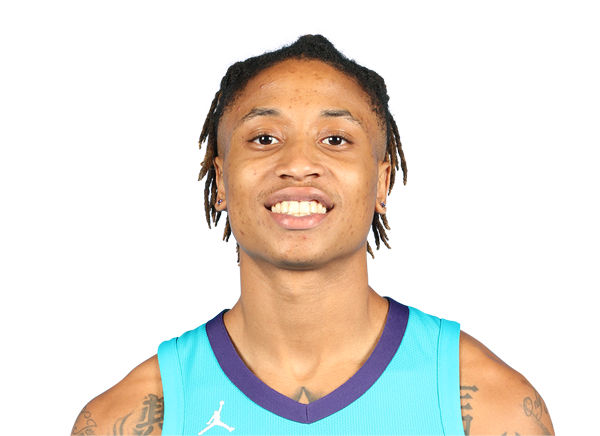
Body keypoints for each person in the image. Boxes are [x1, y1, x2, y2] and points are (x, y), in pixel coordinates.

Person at [71, 32, 555, 436]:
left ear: (382, 181)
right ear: (221, 181)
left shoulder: (490, 408)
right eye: (264, 138)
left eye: (335, 139)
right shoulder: (129, 418)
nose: (299, 164)